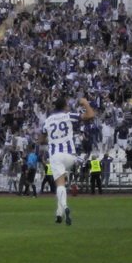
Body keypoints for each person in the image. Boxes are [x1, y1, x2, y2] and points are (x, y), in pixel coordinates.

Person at [38, 97, 95, 226]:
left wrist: (51, 140)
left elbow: (41, 140)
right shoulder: (69, 116)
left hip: (56, 156)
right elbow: (91, 115)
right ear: (64, 107)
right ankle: (59, 214)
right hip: (70, 155)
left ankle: (65, 207)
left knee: (60, 185)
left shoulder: (47, 121)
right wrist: (85, 103)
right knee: (63, 182)